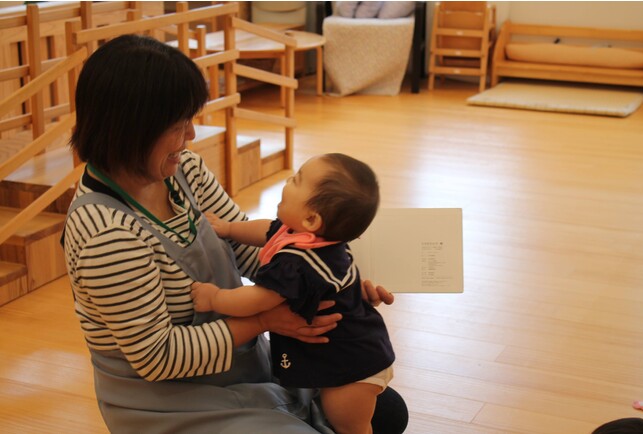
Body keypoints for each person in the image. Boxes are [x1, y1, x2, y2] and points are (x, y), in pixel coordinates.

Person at [61, 34, 408, 434]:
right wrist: (264, 320)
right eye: (178, 125)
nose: (191, 135)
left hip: (238, 366)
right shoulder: (106, 234)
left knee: (386, 411)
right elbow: (159, 357)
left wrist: (332, 286)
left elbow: (259, 256)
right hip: (168, 400)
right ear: (131, 131)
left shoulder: (183, 171)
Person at [191, 153, 394, 434]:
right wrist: (229, 229)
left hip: (352, 366)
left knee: (349, 426)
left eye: (297, 180)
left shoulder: (298, 266)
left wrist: (215, 298)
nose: (288, 180)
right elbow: (267, 230)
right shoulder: (306, 237)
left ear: (311, 219)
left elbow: (257, 300)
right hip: (356, 348)